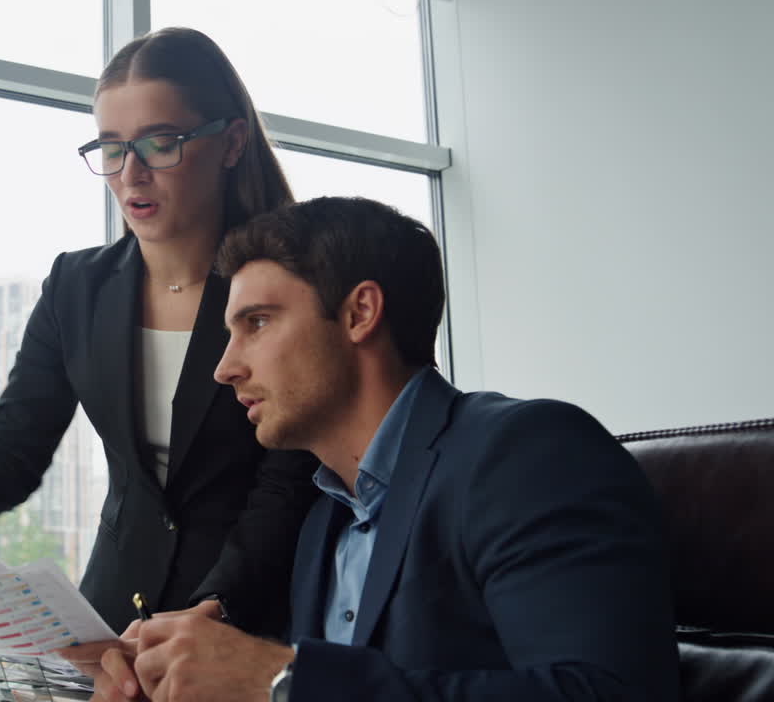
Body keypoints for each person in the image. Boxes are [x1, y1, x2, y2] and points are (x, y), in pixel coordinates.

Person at [0, 28, 319, 637]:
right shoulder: (78, 287)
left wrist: (213, 614)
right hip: (112, 622)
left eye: (161, 142)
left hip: (251, 619)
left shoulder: (289, 283)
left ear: (231, 143)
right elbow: (9, 459)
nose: (131, 173)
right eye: (112, 147)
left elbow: (290, 482)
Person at [79, 196, 680, 701]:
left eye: (257, 322)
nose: (225, 367)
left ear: (360, 313)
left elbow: (608, 692)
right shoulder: (324, 520)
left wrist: (281, 680)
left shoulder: (528, 455)